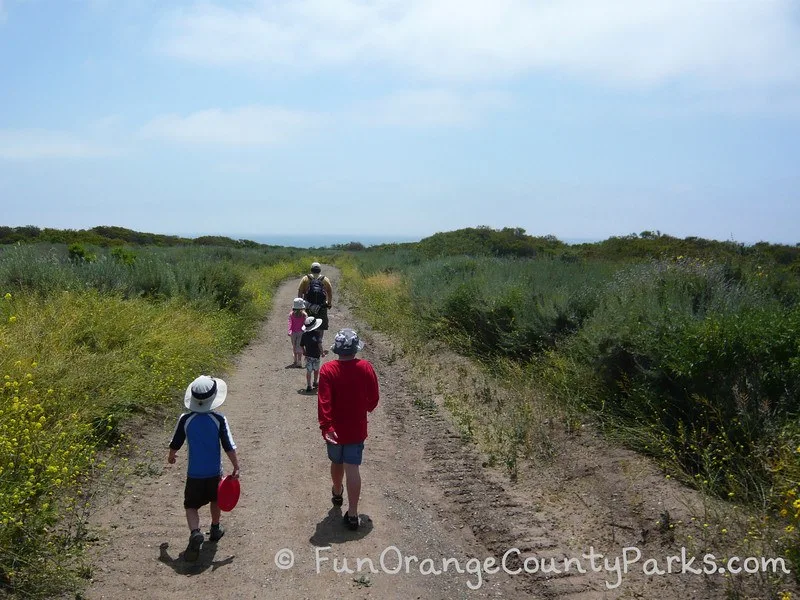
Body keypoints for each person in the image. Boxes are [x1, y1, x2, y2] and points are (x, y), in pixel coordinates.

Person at [168, 375, 240, 562]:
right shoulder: (218, 419)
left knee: (191, 505)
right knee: (215, 500)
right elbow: (228, 445)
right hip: (215, 473)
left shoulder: (185, 419)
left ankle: (195, 532)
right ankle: (215, 528)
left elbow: (176, 442)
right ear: (213, 398)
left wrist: (172, 455)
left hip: (194, 474)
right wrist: (236, 466)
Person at [317, 329, 379, 531]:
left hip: (334, 429)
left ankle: (337, 491)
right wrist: (365, 408)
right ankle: (353, 514)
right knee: (352, 467)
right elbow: (373, 398)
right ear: (355, 349)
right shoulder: (365, 367)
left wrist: (326, 425)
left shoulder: (328, 370)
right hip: (356, 427)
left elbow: (324, 401)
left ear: (337, 349)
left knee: (336, 461)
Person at [297, 262, 333, 339]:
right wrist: (329, 303)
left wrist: (300, 305)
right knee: (321, 325)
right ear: (319, 270)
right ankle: (319, 341)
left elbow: (300, 292)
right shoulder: (325, 279)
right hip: (321, 306)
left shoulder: (305, 278)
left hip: (308, 305)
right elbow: (329, 292)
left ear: (311, 269)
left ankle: (308, 340)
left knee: (308, 322)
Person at [300, 316, 326, 392]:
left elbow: (301, 345)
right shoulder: (317, 334)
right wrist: (322, 352)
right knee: (316, 369)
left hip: (308, 356)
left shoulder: (304, 335)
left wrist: (304, 351)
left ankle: (308, 385)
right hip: (316, 355)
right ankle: (315, 382)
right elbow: (319, 345)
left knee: (309, 370)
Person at [288, 297, 308, 368]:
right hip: (301, 332)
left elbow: (290, 323)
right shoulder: (304, 314)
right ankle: (298, 360)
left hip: (294, 332)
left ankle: (296, 360)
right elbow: (306, 323)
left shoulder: (291, 314)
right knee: (299, 346)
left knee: (295, 345)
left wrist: (289, 331)